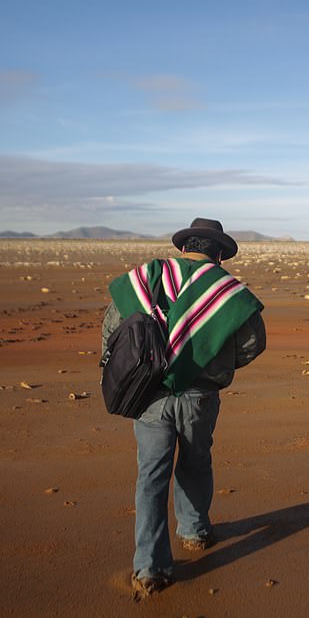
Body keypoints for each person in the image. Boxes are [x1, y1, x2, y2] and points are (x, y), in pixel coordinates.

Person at [102, 218, 266, 596]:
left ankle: (149, 567)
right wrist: (214, 361)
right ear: (219, 253)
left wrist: (143, 364)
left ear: (182, 248)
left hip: (149, 396)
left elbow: (113, 327)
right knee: (196, 461)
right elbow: (253, 342)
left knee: (151, 476)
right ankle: (194, 531)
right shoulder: (226, 290)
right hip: (200, 397)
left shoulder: (148, 278)